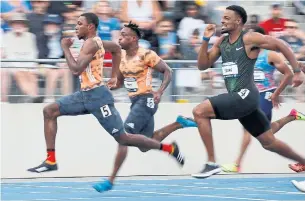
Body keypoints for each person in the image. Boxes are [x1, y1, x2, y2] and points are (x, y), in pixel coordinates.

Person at [27, 13, 185, 173]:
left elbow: (75, 70)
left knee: (123, 138)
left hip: (98, 98)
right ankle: (51, 160)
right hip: (84, 96)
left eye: (79, 23)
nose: (76, 27)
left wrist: (65, 48)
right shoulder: (98, 42)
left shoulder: (91, 44)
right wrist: (114, 76)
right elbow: (116, 50)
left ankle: (168, 149)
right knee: (49, 111)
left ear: (90, 27)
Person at [191, 5, 305, 178]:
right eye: (222, 17)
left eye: (227, 18)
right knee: (268, 142)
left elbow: (280, 44)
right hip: (241, 101)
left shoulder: (249, 38)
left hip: (245, 95)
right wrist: (205, 40)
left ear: (238, 21)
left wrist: (296, 71)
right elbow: (202, 66)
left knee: (199, 111)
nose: (222, 20)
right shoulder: (221, 42)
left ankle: (211, 162)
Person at [92, 22, 197, 193]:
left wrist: (160, 91)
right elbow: (119, 83)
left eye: (123, 35)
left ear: (133, 39)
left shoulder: (146, 54)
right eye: (119, 35)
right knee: (145, 145)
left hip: (147, 100)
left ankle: (110, 180)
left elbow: (168, 71)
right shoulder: (120, 58)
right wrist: (110, 85)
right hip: (135, 102)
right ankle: (178, 124)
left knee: (123, 136)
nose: (119, 38)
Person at [221, 26, 305, 173]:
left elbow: (288, 74)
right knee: (266, 134)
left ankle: (237, 164)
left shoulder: (270, 55)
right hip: (249, 94)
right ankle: (291, 116)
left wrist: (276, 94)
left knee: (248, 129)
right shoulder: (245, 55)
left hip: (265, 94)